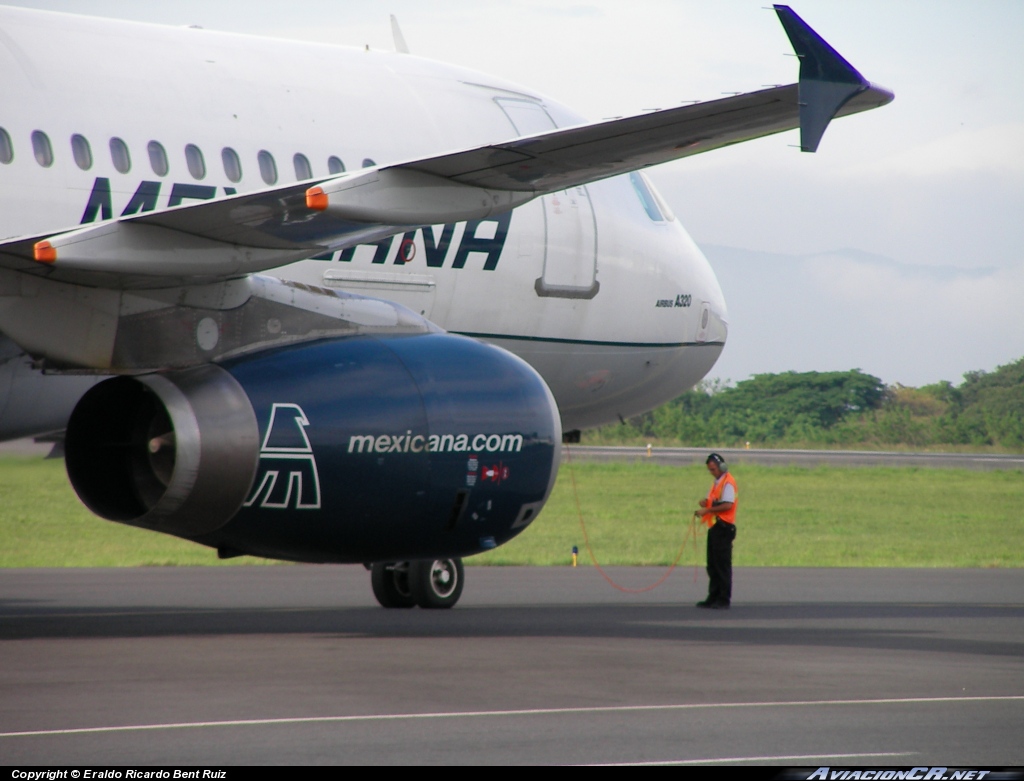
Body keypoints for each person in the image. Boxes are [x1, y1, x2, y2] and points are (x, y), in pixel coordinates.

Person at [695, 453, 737, 609]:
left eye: (713, 469)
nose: (712, 472)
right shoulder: (716, 483)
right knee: (712, 565)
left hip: (724, 528)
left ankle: (723, 598)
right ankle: (713, 596)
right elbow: (713, 501)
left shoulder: (728, 483)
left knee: (722, 565)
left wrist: (707, 510)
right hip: (714, 527)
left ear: (721, 467)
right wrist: (705, 503)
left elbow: (727, 505)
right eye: (710, 470)